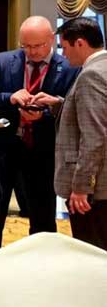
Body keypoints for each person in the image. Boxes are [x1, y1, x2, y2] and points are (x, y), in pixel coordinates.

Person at [0, 16, 78, 238]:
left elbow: (73, 108)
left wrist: (44, 114)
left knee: (42, 215)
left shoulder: (70, 67)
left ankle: (42, 257)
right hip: (5, 148)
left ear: (51, 39)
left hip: (44, 150)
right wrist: (9, 98)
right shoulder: (2, 61)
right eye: (25, 46)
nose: (32, 52)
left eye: (37, 45)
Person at [53, 17, 107, 250]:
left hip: (95, 190)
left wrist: (82, 186)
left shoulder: (90, 75)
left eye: (64, 47)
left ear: (80, 43)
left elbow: (94, 136)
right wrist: (59, 104)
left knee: (92, 253)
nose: (63, 54)